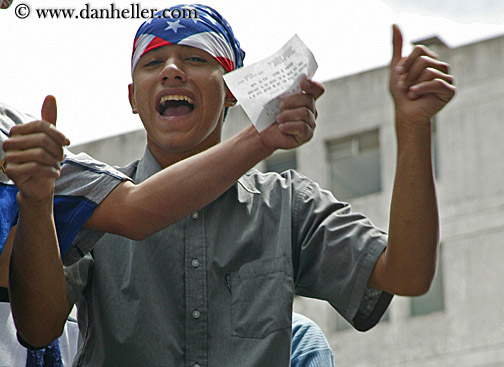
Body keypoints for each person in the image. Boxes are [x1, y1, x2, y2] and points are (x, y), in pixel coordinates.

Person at [8, 4, 455, 367]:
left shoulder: (287, 206)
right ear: (132, 98)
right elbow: (38, 327)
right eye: (153, 62)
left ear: (234, 90)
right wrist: (36, 201)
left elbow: (408, 275)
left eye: (197, 59)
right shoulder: (102, 205)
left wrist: (413, 128)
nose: (172, 71)